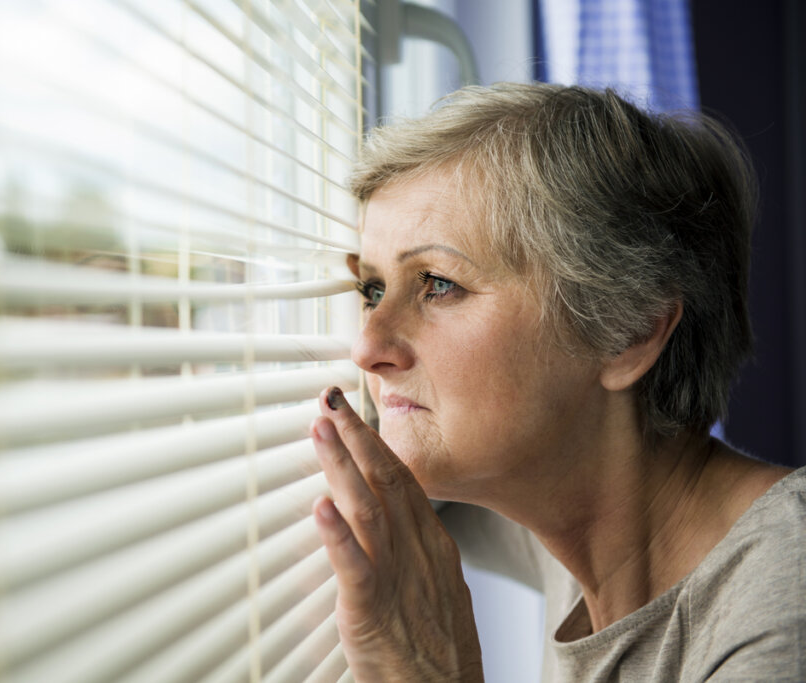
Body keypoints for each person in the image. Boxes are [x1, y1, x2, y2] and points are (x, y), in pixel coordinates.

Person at [308, 83, 806, 681]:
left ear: (628, 331)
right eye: (372, 289)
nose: (366, 348)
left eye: (439, 284)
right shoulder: (571, 509)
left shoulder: (784, 607)